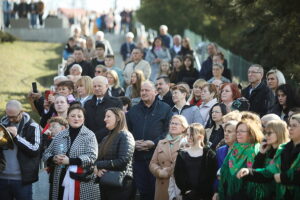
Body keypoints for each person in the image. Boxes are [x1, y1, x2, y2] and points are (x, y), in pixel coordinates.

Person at [126, 80, 173, 200]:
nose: (143, 92)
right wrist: (133, 143)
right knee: (144, 193)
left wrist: (153, 143)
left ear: (155, 92)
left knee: (157, 193)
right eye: (142, 90)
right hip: (139, 159)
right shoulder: (133, 110)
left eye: (147, 90)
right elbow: (126, 131)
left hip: (158, 159)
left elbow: (169, 132)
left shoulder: (165, 108)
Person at [237, 113, 300, 200]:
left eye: (294, 125)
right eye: (290, 125)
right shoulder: (284, 149)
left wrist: (282, 177)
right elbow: (269, 172)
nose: (290, 128)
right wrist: (249, 172)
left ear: (279, 133)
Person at [43, 105, 100, 199]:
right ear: (67, 117)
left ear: (84, 119)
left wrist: (70, 161)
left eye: (79, 116)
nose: (76, 118)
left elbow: (92, 156)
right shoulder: (60, 135)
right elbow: (46, 153)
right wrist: (53, 158)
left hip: (80, 181)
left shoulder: (89, 135)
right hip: (59, 178)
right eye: (73, 116)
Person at [0, 100, 41, 200]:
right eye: (9, 116)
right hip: (2, 178)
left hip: (22, 180)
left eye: (14, 116)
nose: (11, 120)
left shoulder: (33, 126)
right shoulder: (2, 124)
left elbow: (35, 150)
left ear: (21, 112)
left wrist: (16, 137)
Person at [218, 118, 264, 200]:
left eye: (242, 131)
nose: (238, 134)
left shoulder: (256, 151)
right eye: (237, 131)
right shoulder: (234, 149)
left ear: (251, 133)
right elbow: (224, 174)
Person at [95, 108, 135, 200]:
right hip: (106, 183)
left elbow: (123, 161)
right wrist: (98, 169)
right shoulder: (106, 138)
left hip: (121, 185)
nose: (105, 119)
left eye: (108, 116)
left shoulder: (125, 135)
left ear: (118, 118)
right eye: (105, 117)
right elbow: (98, 158)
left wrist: (98, 165)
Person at [149, 115, 189, 200]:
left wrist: (168, 171)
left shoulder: (186, 143)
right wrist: (158, 172)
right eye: (172, 123)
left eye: (176, 124)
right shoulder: (161, 142)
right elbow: (152, 163)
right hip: (161, 184)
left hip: (176, 185)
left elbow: (184, 164)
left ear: (184, 128)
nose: (173, 125)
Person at [174, 123, 217, 200]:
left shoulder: (209, 154)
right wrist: (186, 190)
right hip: (188, 195)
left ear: (200, 136)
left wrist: (200, 192)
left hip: (204, 196)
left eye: (192, 135)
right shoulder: (182, 154)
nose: (189, 138)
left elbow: (211, 176)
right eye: (187, 135)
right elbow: (178, 175)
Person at [84, 76, 123, 143]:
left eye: (99, 86)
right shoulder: (87, 104)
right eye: (94, 86)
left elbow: (116, 123)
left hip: (109, 141)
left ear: (107, 86)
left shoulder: (116, 103)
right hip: (89, 141)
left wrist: (96, 136)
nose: (96, 88)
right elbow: (85, 123)